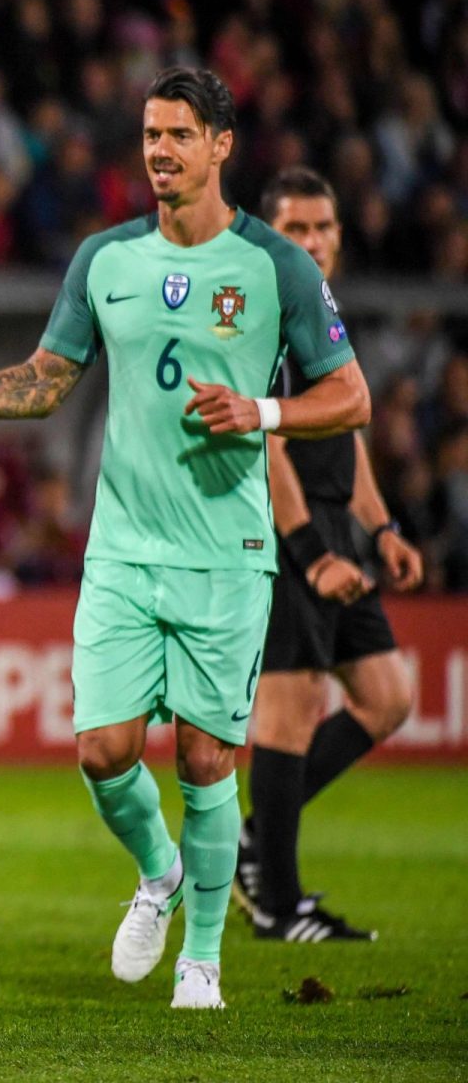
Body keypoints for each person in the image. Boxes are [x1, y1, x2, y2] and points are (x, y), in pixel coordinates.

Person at [0, 67, 370, 1010]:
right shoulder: (105, 260)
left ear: (222, 144)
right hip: (124, 551)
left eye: (180, 135)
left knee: (208, 760)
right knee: (103, 751)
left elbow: (350, 395)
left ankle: (203, 963)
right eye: (150, 135)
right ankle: (160, 874)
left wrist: (261, 411)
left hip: (228, 555)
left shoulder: (277, 267)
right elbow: (46, 379)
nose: (160, 152)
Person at [236, 167, 418, 942]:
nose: (313, 242)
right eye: (297, 229)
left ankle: (252, 844)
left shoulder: (324, 314)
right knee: (290, 711)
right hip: (290, 535)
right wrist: (310, 551)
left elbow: (349, 434)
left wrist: (380, 530)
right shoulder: (266, 313)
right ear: (273, 236)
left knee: (388, 697)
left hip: (342, 531)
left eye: (325, 228)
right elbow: (267, 442)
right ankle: (278, 901)